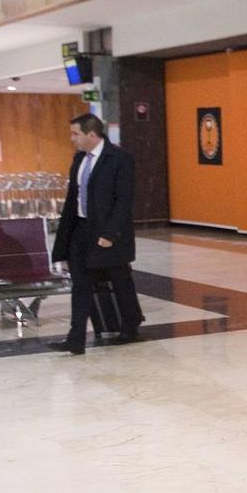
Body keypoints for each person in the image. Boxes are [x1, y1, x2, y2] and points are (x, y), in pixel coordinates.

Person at [49, 113, 145, 355]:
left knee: (120, 279)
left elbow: (124, 200)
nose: (72, 139)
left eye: (76, 134)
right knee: (80, 285)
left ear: (92, 134)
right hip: (81, 230)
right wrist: (66, 236)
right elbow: (73, 198)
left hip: (107, 232)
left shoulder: (120, 159)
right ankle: (76, 338)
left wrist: (110, 233)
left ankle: (131, 323)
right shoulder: (79, 159)